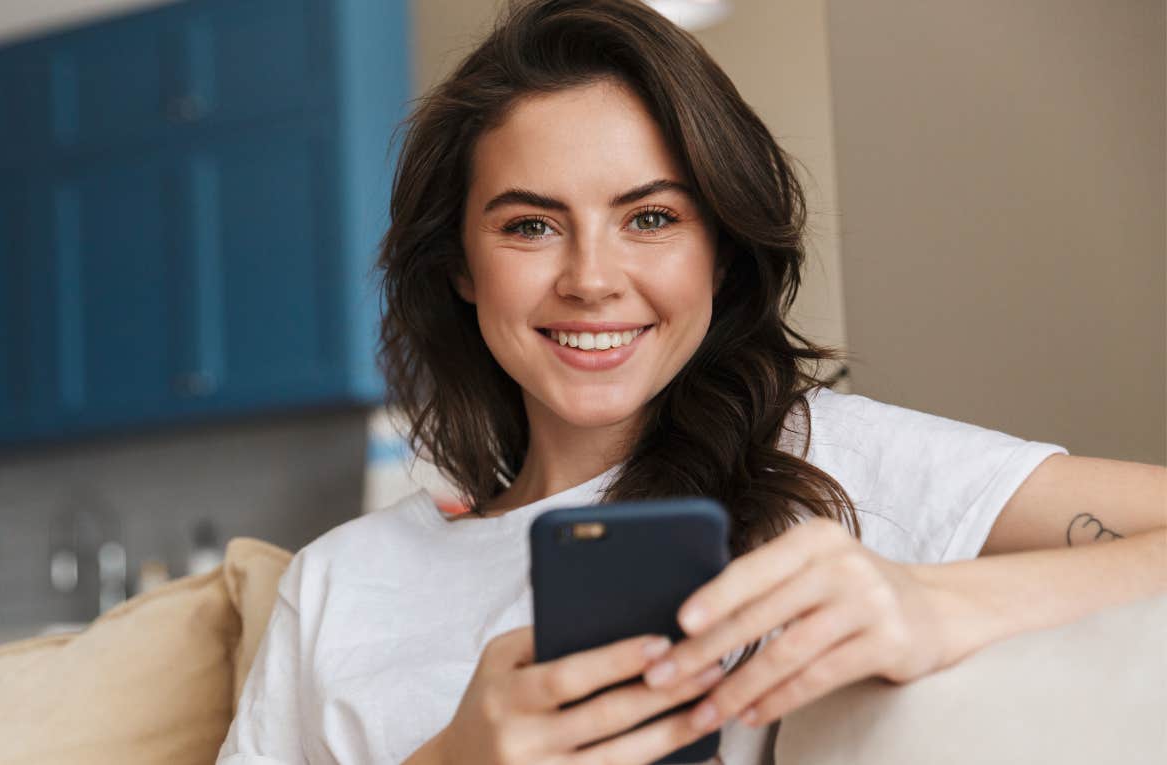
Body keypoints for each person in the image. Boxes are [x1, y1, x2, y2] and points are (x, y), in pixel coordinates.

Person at [216, 1, 1166, 763]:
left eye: (652, 218)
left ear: (720, 252)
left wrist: (936, 602)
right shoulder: (337, 586)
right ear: (461, 267)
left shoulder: (837, 461)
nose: (591, 278)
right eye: (530, 226)